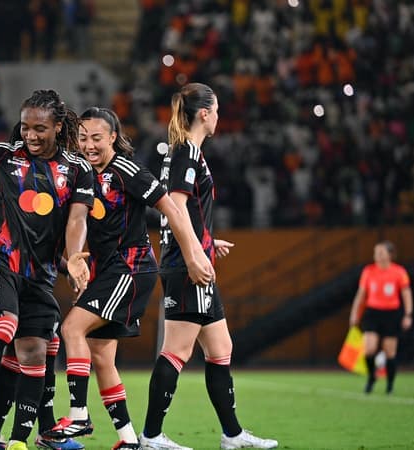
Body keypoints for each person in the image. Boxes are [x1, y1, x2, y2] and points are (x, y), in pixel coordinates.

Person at [44, 108, 213, 450]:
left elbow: (173, 210)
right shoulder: (81, 174)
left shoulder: (127, 170)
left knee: (72, 329)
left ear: (112, 138)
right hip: (108, 272)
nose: (89, 145)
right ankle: (129, 440)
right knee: (102, 356)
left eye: (96, 138)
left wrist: (194, 254)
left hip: (131, 269)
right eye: (82, 138)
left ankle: (78, 415)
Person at [0, 87, 93, 450]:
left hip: (40, 276)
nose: (31, 135)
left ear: (57, 127)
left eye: (40, 128)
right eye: (25, 127)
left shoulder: (77, 170)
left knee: (35, 353)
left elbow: (77, 220)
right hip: (0, 260)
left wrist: (72, 256)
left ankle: (18, 440)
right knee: (4, 324)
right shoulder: (2, 156)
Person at [138, 83, 277, 450]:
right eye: (215, 110)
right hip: (186, 267)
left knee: (220, 348)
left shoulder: (187, 151)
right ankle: (151, 436)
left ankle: (232, 435)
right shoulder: (187, 152)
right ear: (204, 113)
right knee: (177, 351)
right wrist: (194, 255)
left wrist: (207, 242)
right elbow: (176, 209)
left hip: (192, 259)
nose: (218, 117)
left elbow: (183, 214)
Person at [0, 125, 84, 450]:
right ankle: (2, 432)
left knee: (37, 348)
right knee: (19, 346)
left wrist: (69, 267)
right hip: (3, 269)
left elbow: (43, 240)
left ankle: (26, 431)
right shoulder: (3, 169)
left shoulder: (61, 176)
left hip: (35, 277)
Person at [349, 241, 413, 394]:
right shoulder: (369, 271)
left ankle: (390, 386)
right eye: (375, 252)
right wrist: (354, 313)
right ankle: (372, 376)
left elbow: (406, 293)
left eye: (381, 252)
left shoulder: (399, 272)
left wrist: (408, 314)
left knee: (390, 352)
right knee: (369, 349)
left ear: (390, 254)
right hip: (372, 313)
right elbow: (361, 295)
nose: (377, 255)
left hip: (391, 314)